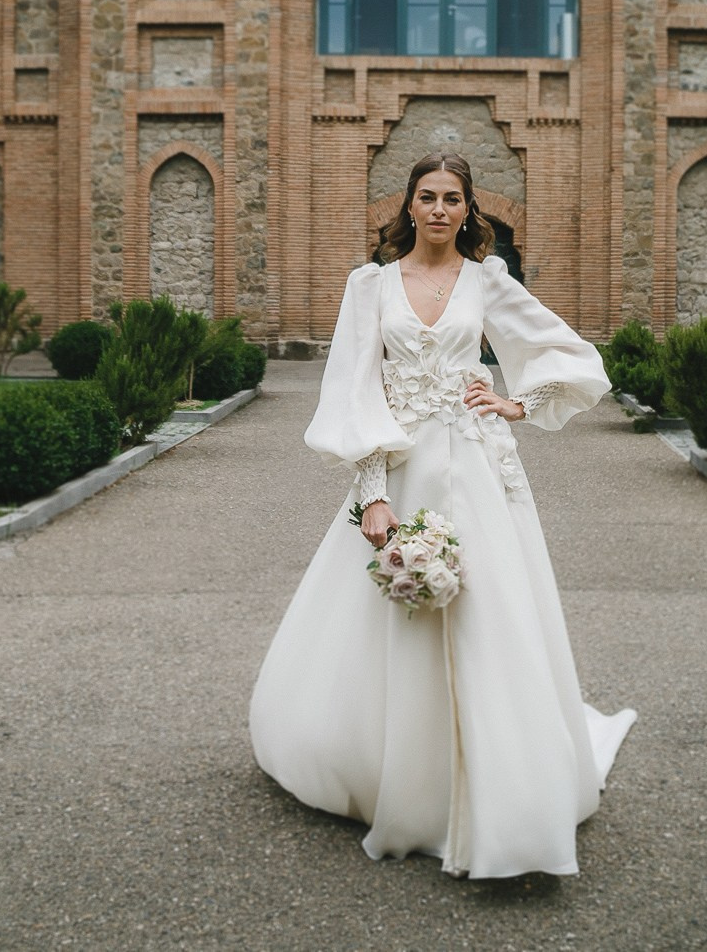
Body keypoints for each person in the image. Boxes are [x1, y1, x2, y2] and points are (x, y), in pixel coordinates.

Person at [249, 152, 636, 880]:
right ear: (409, 206)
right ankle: (396, 774)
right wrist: (372, 494)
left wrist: (518, 401)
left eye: (451, 198)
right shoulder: (370, 287)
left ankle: (498, 779)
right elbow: (354, 388)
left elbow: (570, 354)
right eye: (425, 197)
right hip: (399, 467)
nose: (437, 209)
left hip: (477, 467)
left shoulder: (489, 280)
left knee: (489, 612)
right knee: (395, 613)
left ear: (467, 211)